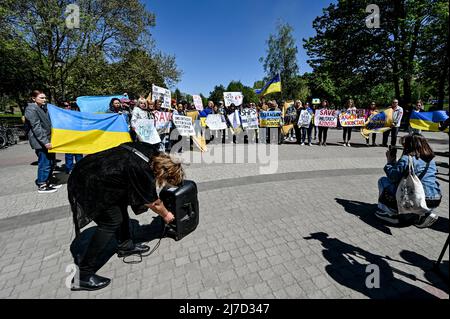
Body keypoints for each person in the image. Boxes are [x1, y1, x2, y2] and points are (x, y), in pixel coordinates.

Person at [68, 141, 184, 291]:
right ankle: (82, 275)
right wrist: (167, 215)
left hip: (93, 169)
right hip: (89, 181)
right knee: (110, 222)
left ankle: (125, 246)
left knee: (121, 205)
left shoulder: (151, 150)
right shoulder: (143, 170)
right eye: (166, 180)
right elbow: (154, 203)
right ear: (163, 172)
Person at [375, 134, 442, 227]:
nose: (403, 147)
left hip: (418, 197)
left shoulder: (407, 158)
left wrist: (390, 162)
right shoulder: (431, 160)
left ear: (409, 145)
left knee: (383, 181)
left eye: (404, 144)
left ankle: (390, 213)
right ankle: (422, 214)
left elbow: (393, 177)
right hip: (435, 197)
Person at [24, 90, 61, 193]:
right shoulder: (31, 109)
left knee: (50, 161)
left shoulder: (42, 108)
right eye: (41, 98)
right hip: (40, 141)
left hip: (48, 139)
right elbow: (36, 127)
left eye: (45, 98)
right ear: (33, 98)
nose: (44, 100)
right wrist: (45, 142)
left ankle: (48, 181)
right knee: (44, 163)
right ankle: (42, 185)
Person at [63, 102, 83, 174]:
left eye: (69, 105)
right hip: (67, 137)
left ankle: (80, 168)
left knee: (78, 154)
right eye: (65, 105)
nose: (67, 107)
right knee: (69, 154)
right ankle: (69, 169)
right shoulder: (60, 115)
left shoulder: (75, 114)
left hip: (76, 136)